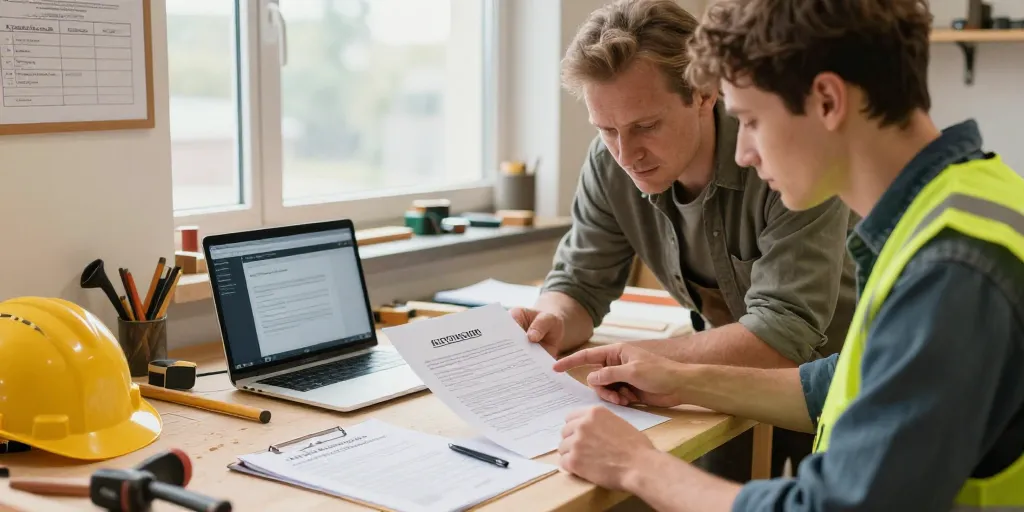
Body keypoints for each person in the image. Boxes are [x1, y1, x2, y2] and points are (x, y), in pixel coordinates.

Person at [552, 0, 1024, 510]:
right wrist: (682, 379)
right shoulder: (956, 205)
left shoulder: (950, 270)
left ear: (826, 100)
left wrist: (636, 465)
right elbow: (846, 382)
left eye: (751, 120)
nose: (743, 153)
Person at [510, 0, 857, 480]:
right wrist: (554, 321)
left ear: (703, 94)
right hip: (720, 383)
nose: (626, 154)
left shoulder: (780, 151)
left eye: (645, 126)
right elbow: (580, 282)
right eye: (607, 130)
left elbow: (782, 337)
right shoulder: (610, 162)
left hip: (841, 381)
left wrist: (641, 363)